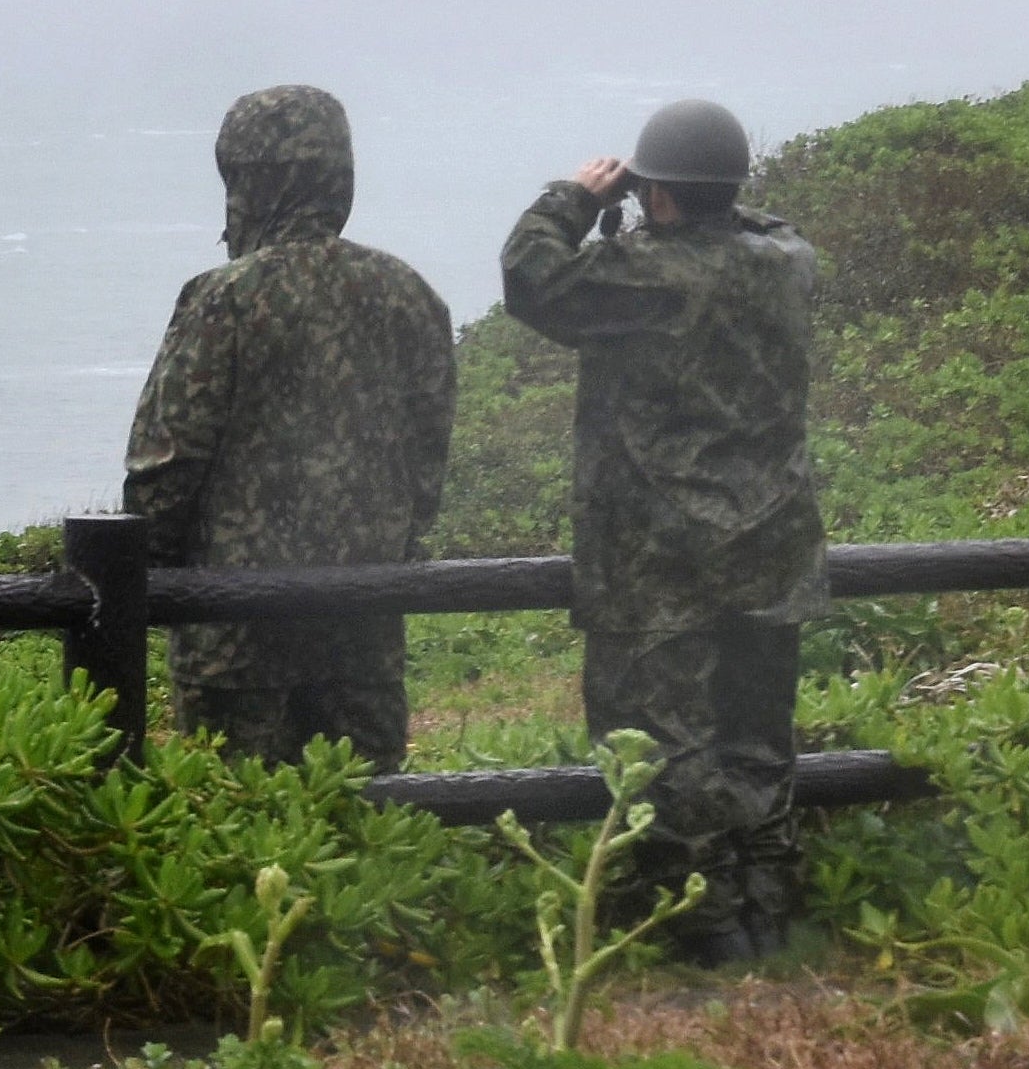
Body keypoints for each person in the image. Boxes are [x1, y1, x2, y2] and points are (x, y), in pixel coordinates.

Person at [499, 97, 824, 964]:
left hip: (658, 555)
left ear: (661, 195)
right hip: (771, 544)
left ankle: (704, 930)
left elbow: (529, 276)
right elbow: (744, 222)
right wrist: (666, 194)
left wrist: (575, 199)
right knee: (758, 742)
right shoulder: (788, 260)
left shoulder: (646, 279)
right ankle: (771, 913)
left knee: (664, 751)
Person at [123, 84, 457, 768]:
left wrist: (157, 579)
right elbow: (427, 465)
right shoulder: (410, 294)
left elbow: (165, 469)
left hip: (234, 639)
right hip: (363, 629)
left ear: (248, 181)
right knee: (362, 840)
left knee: (240, 839)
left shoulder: (226, 298)